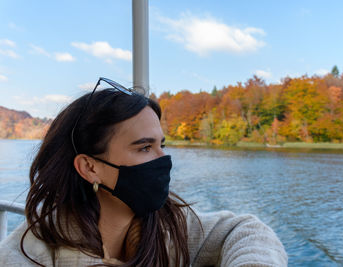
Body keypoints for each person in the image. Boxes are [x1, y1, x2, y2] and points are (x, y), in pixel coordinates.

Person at [0, 78, 288, 266]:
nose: (164, 159)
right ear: (90, 167)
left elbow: (244, 230)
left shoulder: (168, 225)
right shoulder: (29, 254)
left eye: (161, 144)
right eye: (144, 148)